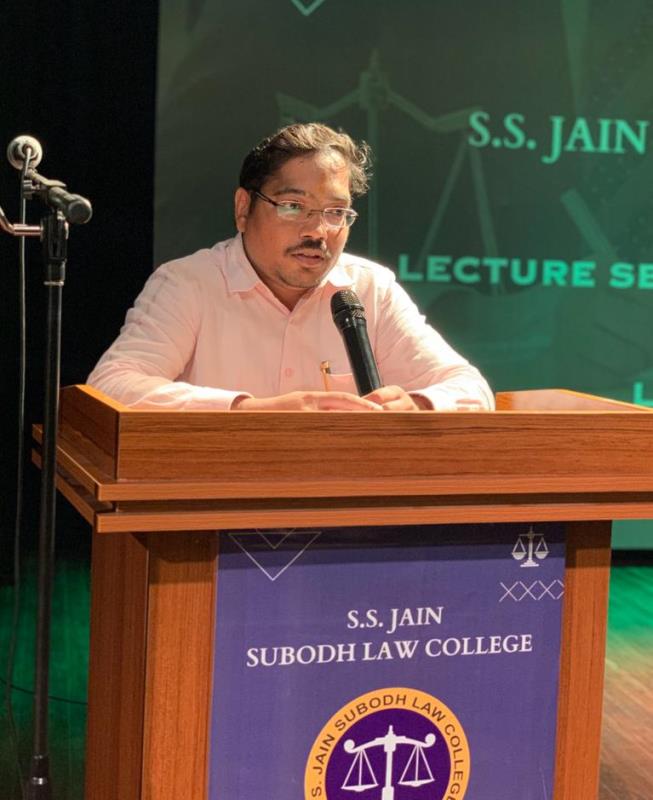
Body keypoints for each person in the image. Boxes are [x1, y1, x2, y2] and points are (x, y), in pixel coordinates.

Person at [88, 123, 494, 412]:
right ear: (243, 208)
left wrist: (418, 404)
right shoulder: (189, 283)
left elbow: (471, 388)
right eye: (293, 206)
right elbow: (111, 386)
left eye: (336, 212)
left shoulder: (370, 290)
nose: (317, 231)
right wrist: (248, 411)